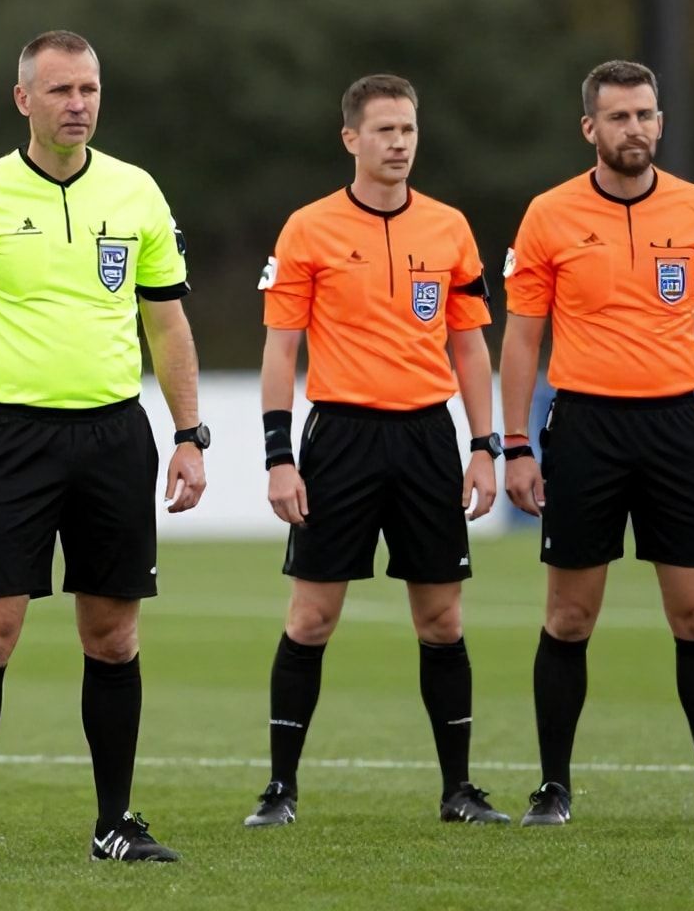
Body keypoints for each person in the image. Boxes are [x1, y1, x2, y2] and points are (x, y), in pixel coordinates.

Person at [0, 30, 205, 867]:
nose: (78, 105)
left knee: (113, 637)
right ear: (23, 99)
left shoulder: (136, 191)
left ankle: (115, 823)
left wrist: (189, 435)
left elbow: (167, 326)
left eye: (89, 90)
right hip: (10, 437)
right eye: (61, 90)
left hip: (115, 435)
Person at [501, 59, 694, 826]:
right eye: (619, 117)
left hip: (675, 427)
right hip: (584, 428)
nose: (635, 128)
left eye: (645, 114)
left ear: (661, 122)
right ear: (590, 127)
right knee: (569, 617)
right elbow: (521, 340)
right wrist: (515, 444)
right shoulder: (549, 214)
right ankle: (553, 788)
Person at [245, 74, 509, 829]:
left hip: (427, 437)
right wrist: (278, 456)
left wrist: (484, 446)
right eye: (385, 130)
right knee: (311, 618)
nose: (399, 143)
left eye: (408, 130)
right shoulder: (309, 229)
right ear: (351, 139)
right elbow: (281, 350)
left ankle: (459, 791)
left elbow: (470, 346)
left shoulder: (449, 228)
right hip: (341, 439)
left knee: (442, 621)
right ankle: (280, 790)